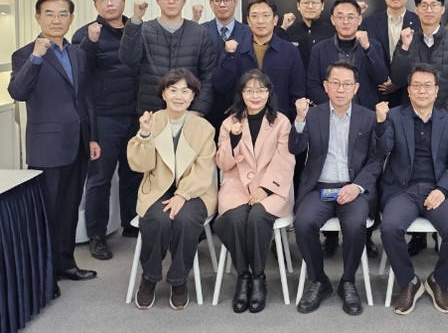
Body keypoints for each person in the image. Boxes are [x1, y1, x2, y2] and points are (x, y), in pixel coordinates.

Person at [8, 0, 99, 297]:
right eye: (49, 13)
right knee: (46, 214)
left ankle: (65, 264)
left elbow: (85, 99)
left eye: (62, 14)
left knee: (70, 209)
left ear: (71, 19)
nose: (56, 20)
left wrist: (92, 137)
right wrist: (36, 57)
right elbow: (18, 92)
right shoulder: (24, 54)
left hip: (78, 143)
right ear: (38, 17)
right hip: (47, 147)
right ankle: (44, 277)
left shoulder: (77, 54)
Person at [389, 0, 448, 256]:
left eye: (434, 5)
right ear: (416, 9)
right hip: (411, 119)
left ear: (442, 9)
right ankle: (417, 237)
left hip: (447, 121)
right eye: (423, 5)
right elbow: (397, 78)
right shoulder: (408, 39)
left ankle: (442, 233)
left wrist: (442, 116)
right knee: (414, 170)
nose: (429, 10)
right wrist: (404, 48)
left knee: (442, 171)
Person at [291, 63, 382, 316]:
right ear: (326, 86)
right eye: (335, 83)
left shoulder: (368, 117)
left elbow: (376, 159)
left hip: (352, 188)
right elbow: (295, 149)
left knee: (354, 225)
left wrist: (357, 187)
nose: (341, 89)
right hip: (319, 187)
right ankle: (318, 280)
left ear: (356, 88)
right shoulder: (312, 115)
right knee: (303, 223)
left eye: (346, 84)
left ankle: (348, 280)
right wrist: (299, 120)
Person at [376, 64, 448, 315]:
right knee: (390, 228)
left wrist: (442, 189)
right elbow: (382, 150)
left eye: (428, 86)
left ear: (437, 91)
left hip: (437, 189)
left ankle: (438, 280)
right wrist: (381, 123)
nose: (422, 90)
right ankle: (409, 281)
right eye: (416, 85)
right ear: (408, 90)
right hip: (401, 190)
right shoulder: (394, 116)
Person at [127, 69, 217, 310]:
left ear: (193, 96)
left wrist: (182, 195)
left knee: (186, 220)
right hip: (157, 189)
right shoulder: (152, 120)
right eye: (173, 90)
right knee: (156, 219)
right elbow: (140, 166)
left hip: (195, 191)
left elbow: (204, 170)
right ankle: (149, 278)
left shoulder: (204, 127)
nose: (179, 96)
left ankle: (179, 281)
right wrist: (145, 134)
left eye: (185, 91)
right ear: (163, 94)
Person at [213, 69, 295, 314]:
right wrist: (234, 140)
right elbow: (223, 163)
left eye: (260, 90)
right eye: (249, 90)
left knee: (258, 218)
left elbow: (285, 159)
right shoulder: (229, 123)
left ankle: (258, 276)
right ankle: (243, 275)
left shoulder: (281, 121)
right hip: (237, 185)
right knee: (234, 219)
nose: (255, 96)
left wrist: (266, 188)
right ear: (241, 94)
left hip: (272, 187)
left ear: (269, 93)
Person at [72, 0, 141, 260]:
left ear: (123, 0)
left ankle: (131, 222)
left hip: (136, 113)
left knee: (134, 171)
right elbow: (79, 71)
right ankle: (97, 234)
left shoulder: (136, 29)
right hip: (104, 117)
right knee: (100, 177)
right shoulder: (87, 33)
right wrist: (91, 42)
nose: (109, 3)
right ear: (95, 4)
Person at [119, 0, 217, 116]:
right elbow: (129, 59)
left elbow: (209, 75)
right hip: (150, 113)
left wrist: (198, 110)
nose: (171, 0)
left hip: (189, 112)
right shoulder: (144, 29)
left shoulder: (199, 32)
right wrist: (135, 19)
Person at [212, 0, 305, 122]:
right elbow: (221, 86)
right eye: (255, 16)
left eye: (266, 15)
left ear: (275, 20)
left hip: (279, 121)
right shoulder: (236, 50)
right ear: (248, 21)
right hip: (243, 121)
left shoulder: (290, 51)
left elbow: (298, 91)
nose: (260, 21)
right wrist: (228, 56)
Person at [307, 0, 388, 110]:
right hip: (330, 112)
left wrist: (367, 48)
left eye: (350, 17)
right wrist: (334, 106)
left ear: (359, 19)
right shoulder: (319, 49)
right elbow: (312, 85)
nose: (345, 22)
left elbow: (381, 78)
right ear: (333, 20)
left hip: (365, 112)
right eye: (340, 17)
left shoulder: (373, 46)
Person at [360, 0, 419, 107]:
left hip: (408, 92)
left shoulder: (418, 22)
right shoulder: (369, 22)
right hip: (376, 91)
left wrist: (398, 82)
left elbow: (421, 57)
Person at [201, 0, 252, 136]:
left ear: (235, 2)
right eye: (217, 0)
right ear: (210, 3)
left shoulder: (249, 32)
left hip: (240, 106)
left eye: (227, 0)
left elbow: (251, 69)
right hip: (206, 106)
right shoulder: (201, 31)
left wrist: (239, 102)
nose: (222, 4)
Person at [279, 0, 335, 70]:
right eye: (306, 3)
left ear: (322, 6)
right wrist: (283, 28)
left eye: (314, 3)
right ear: (298, 6)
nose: (310, 6)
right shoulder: (289, 30)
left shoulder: (332, 31)